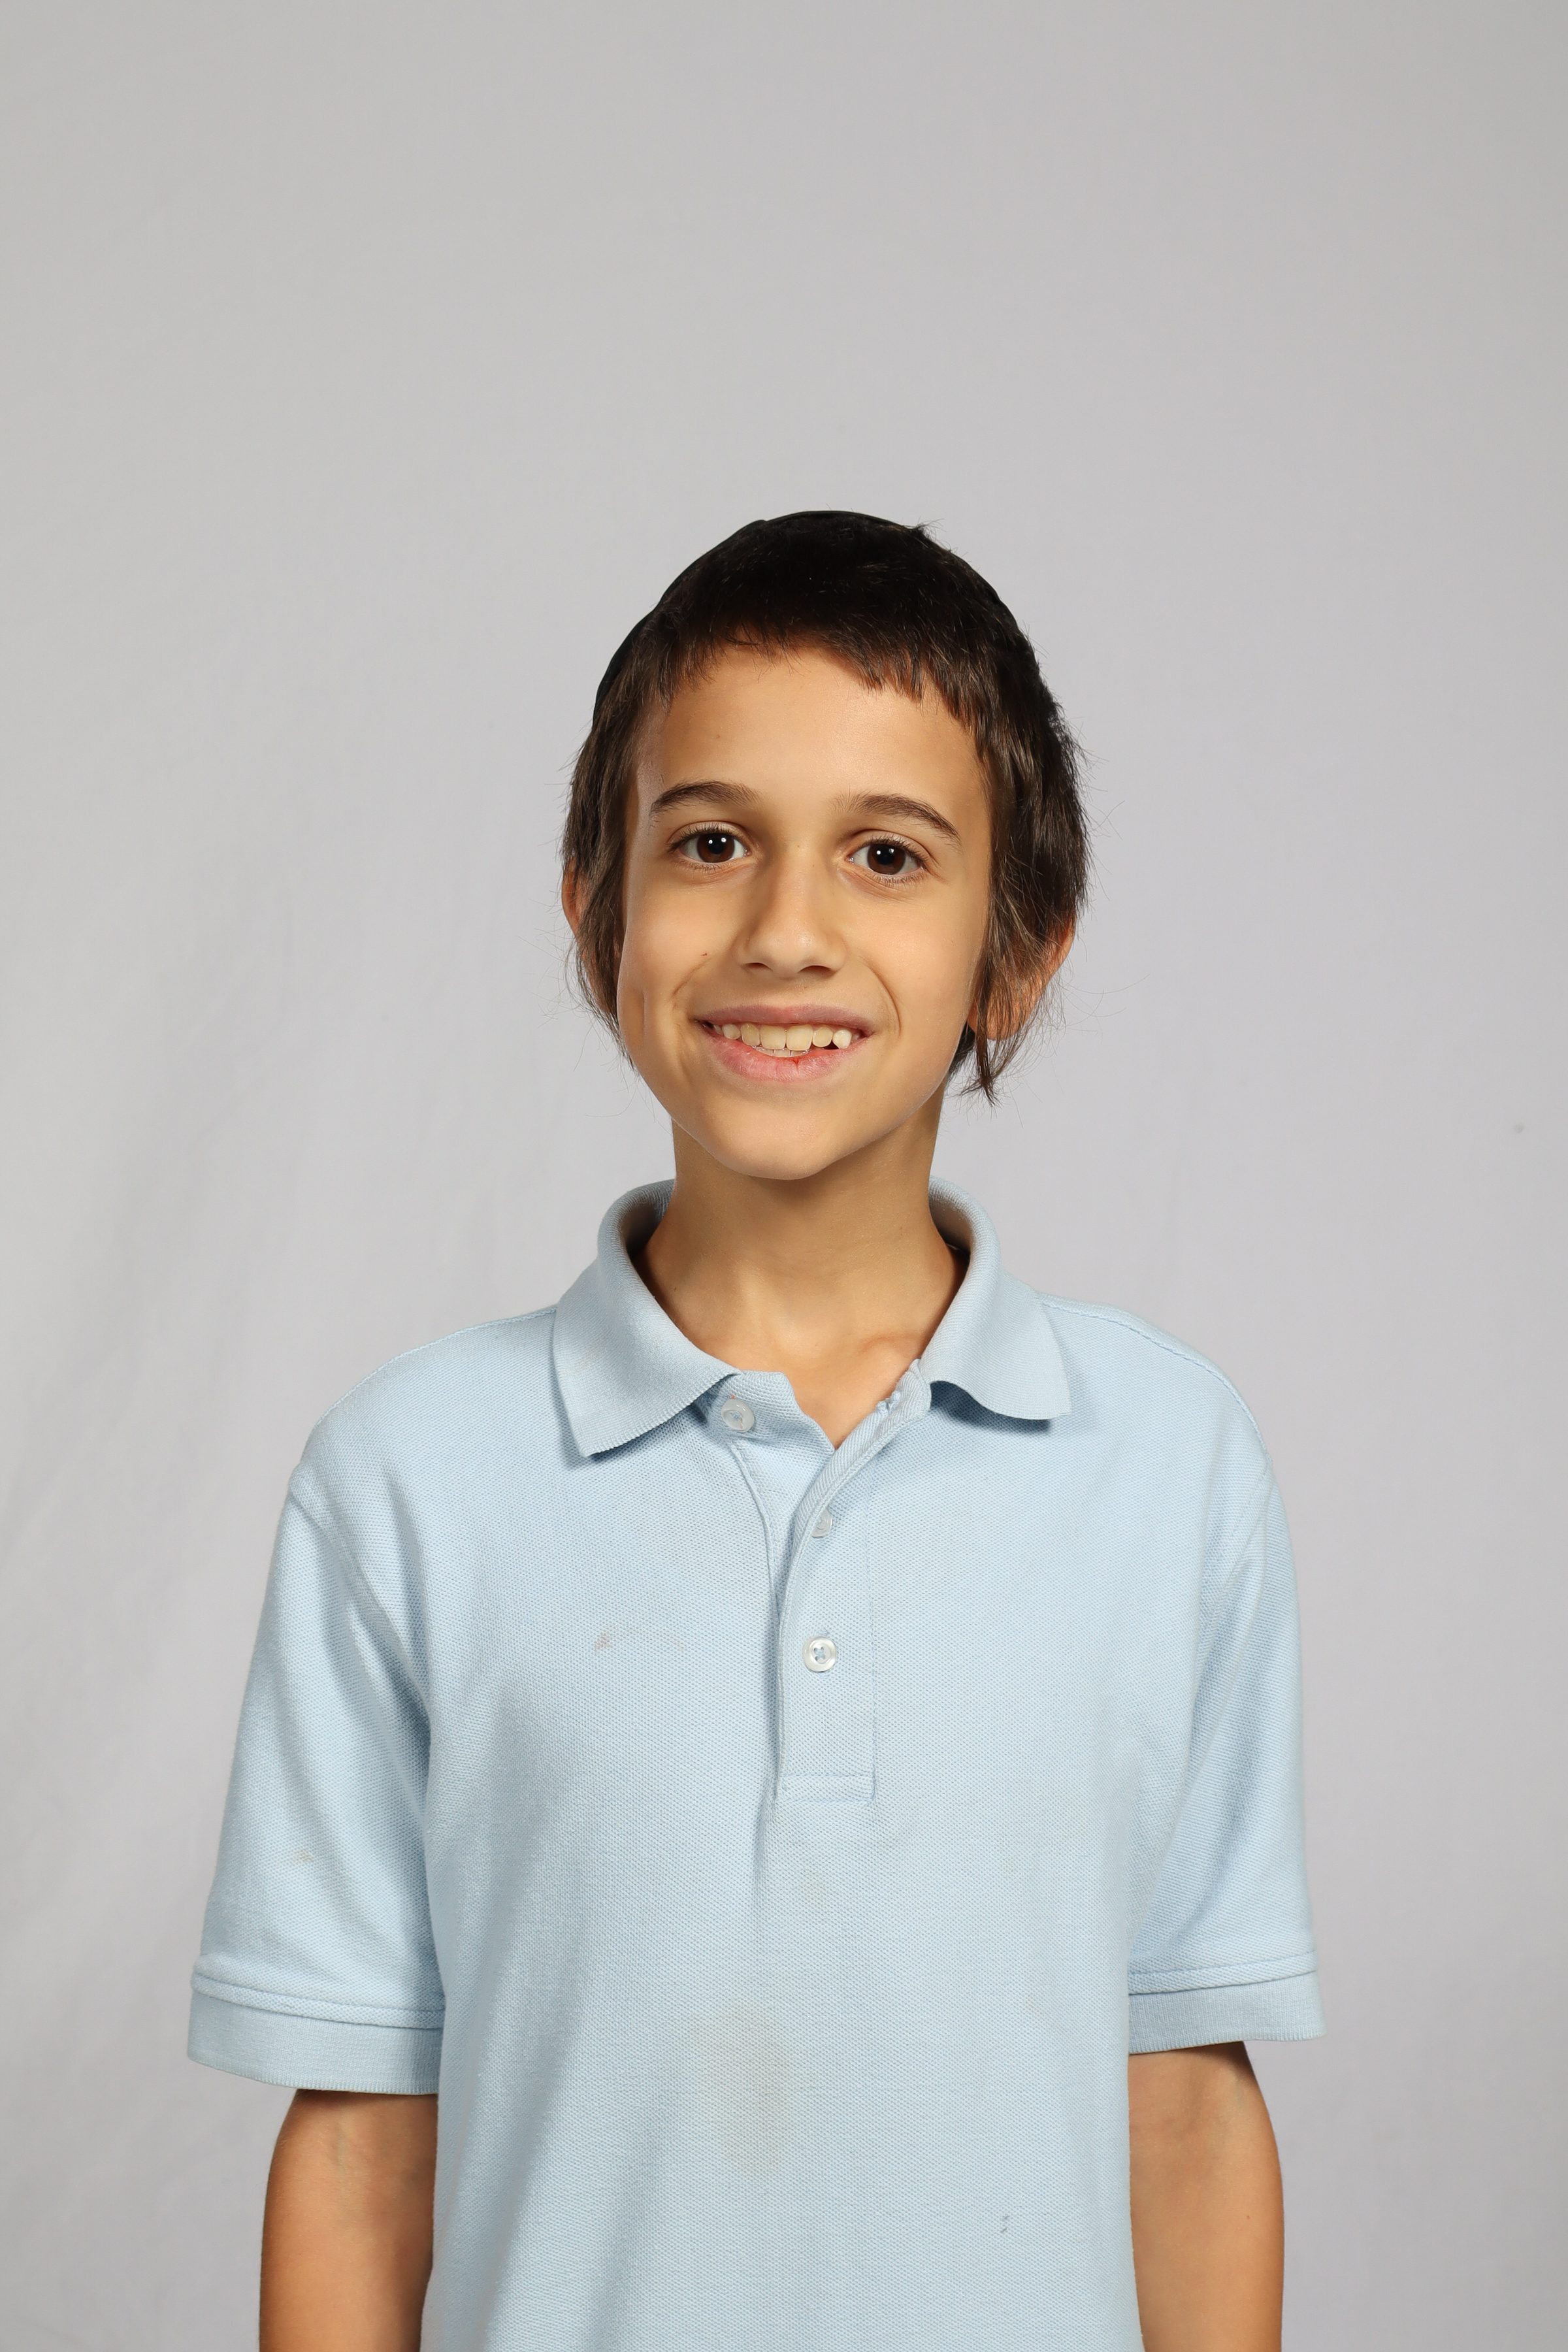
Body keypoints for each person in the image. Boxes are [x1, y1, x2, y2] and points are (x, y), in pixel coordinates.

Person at [189, 512, 1323, 2352]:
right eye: (710, 843)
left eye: (888, 855)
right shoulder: (403, 1481)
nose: (788, 929)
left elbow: (1185, 2103)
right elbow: (361, 2145)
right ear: (597, 912)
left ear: (1018, 953)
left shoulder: (1173, 1465)